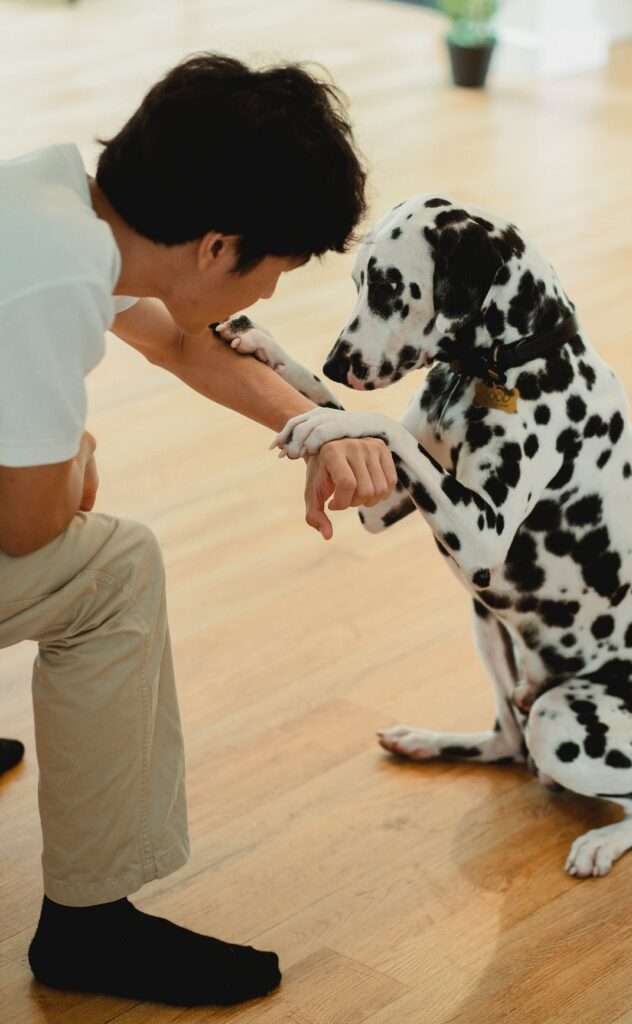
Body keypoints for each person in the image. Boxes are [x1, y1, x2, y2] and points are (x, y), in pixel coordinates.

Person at [0, 54, 395, 1007]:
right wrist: (79, 457)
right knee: (112, 569)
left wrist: (323, 421)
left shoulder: (51, 204)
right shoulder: (50, 286)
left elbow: (183, 342)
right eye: (273, 272)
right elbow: (30, 530)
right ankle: (90, 928)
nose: (264, 301)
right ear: (218, 248)